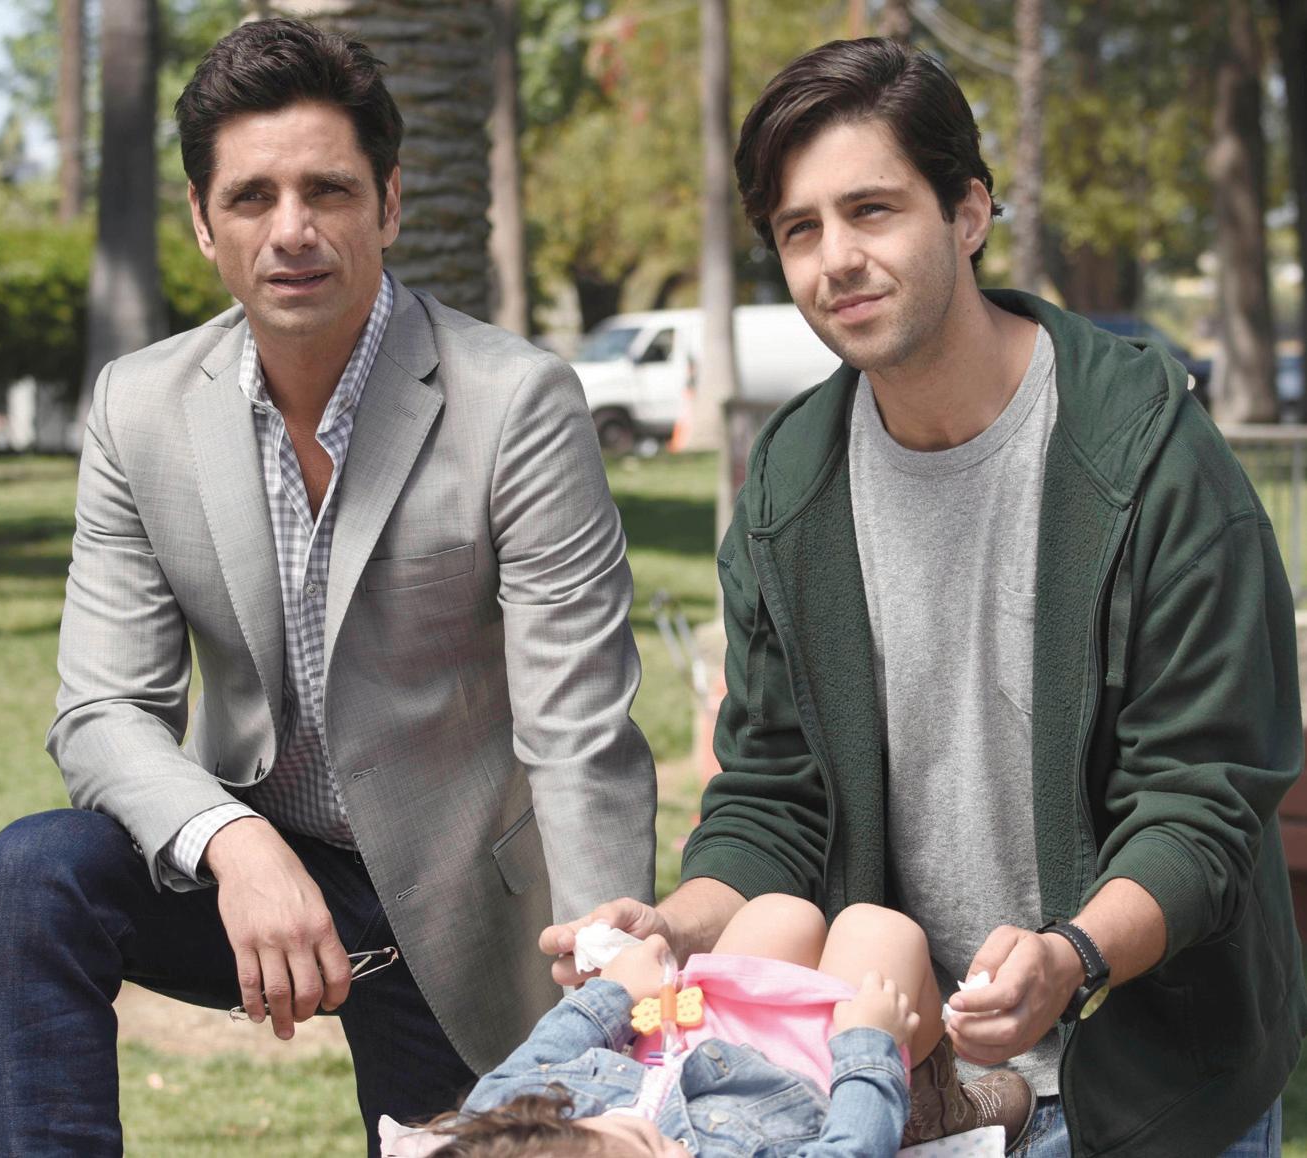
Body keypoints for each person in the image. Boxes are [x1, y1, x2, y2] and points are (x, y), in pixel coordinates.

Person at [543, 36, 1307, 1158]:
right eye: (800, 230)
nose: (837, 260)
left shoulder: (1150, 459)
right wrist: (673, 923)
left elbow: (1203, 799)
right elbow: (774, 798)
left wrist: (1070, 956)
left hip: (1148, 1086)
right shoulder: (788, 487)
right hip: (899, 1093)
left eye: (871, 210)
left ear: (967, 212)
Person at [0, 18, 656, 1157]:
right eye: (251, 197)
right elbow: (101, 710)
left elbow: (576, 729)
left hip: (460, 904)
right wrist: (234, 843)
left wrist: (604, 980)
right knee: (39, 873)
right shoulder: (140, 408)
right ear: (204, 223)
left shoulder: (515, 403)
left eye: (328, 191)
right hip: (258, 864)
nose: (291, 230)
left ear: (388, 203)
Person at [404, 895, 1033, 1157]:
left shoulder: (501, 1135)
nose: (672, 1146)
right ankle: (926, 1106)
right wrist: (868, 1048)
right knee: (880, 933)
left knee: (779, 914)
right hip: (808, 1079)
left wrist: (616, 993)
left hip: (687, 1034)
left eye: (640, 1141)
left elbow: (526, 1070)